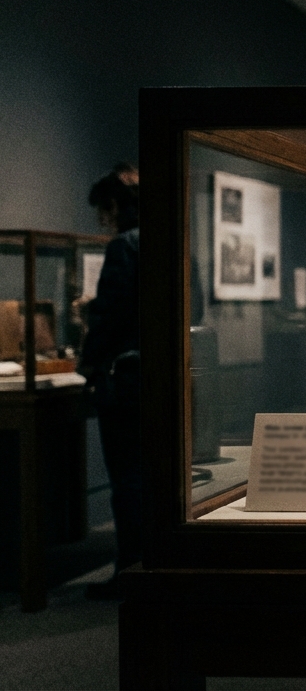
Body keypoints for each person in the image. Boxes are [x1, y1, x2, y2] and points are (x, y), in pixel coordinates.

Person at [79, 164, 141, 599]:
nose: (103, 219)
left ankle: (128, 572)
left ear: (116, 206)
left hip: (126, 380)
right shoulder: (173, 241)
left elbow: (111, 315)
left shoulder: (124, 245)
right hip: (161, 377)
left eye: (104, 210)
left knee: (126, 480)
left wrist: (87, 360)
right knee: (151, 479)